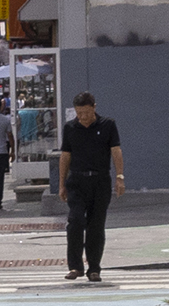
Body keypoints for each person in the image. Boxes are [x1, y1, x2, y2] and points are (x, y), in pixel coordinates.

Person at [54, 89, 125, 282]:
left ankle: (94, 268)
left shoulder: (108, 125)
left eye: (86, 113)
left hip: (100, 181)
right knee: (75, 221)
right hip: (77, 181)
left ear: (94, 108)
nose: (83, 117)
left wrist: (120, 177)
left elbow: (116, 151)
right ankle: (75, 266)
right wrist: (61, 184)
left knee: (96, 225)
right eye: (79, 113)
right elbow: (65, 156)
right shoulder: (70, 128)